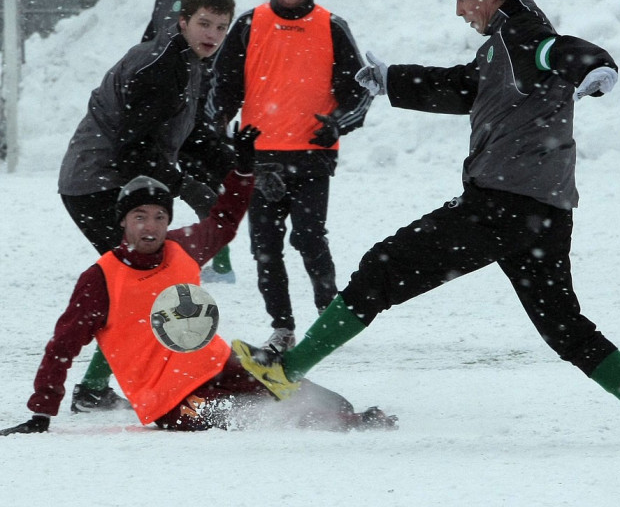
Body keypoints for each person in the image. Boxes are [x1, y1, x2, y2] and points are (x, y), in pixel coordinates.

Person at [229, 0, 620, 446]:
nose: (458, 10)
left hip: (500, 205)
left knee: (381, 267)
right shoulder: (503, 40)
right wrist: (392, 80)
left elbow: (555, 51)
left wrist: (595, 67)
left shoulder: (520, 33)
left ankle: (287, 370)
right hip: (545, 213)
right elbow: (469, 88)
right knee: (565, 326)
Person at [0, 141, 397, 435]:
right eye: (140, 216)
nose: (150, 226)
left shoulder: (181, 247)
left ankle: (348, 419)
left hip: (224, 367)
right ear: (123, 223)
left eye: (159, 216)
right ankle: (352, 427)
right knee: (259, 420)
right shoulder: (100, 278)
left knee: (324, 402)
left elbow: (224, 221)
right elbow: (62, 346)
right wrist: (41, 412)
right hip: (173, 401)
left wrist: (242, 172)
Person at [58, 0, 238, 413]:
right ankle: (111, 388)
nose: (211, 34)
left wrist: (238, 168)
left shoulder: (190, 61)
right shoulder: (162, 65)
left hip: (122, 183)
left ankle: (98, 387)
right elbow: (135, 149)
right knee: (140, 284)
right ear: (182, 22)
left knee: (143, 284)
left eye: (220, 26)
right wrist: (190, 187)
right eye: (203, 23)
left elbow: (187, 134)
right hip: (98, 183)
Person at [206, 0, 373, 352]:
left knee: (310, 237)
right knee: (265, 246)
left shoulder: (331, 25)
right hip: (261, 159)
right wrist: (218, 133)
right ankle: (282, 327)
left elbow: (361, 90)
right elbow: (221, 90)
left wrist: (337, 126)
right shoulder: (249, 24)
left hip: (313, 156)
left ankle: (328, 311)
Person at [142, 0, 234, 280]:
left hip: (192, 102)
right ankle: (210, 258)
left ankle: (219, 263)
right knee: (183, 178)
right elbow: (149, 46)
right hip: (173, 100)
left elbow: (213, 50)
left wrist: (213, 103)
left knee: (195, 179)